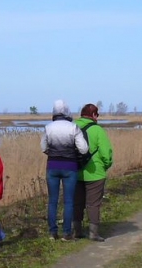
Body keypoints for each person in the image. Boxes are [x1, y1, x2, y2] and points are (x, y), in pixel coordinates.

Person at [41, 99, 89, 241]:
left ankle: (52, 232)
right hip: (70, 167)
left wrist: (54, 152)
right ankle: (67, 233)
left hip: (52, 166)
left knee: (52, 201)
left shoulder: (48, 128)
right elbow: (84, 149)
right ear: (67, 112)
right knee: (68, 201)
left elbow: (43, 148)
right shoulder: (73, 128)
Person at [73, 103, 114, 242]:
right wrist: (105, 166)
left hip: (75, 171)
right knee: (93, 204)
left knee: (77, 203)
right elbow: (105, 153)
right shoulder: (98, 130)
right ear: (94, 115)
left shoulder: (73, 127)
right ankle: (93, 233)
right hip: (95, 172)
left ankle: (76, 231)